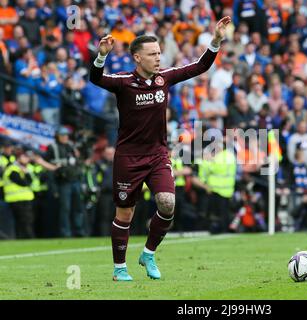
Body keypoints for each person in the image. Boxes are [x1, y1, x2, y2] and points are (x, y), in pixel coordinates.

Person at [89, 16, 231, 281]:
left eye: (158, 53)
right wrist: (101, 55)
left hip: (157, 155)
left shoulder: (164, 78)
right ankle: (119, 268)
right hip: (128, 157)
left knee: (167, 204)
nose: (157, 58)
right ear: (137, 58)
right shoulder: (122, 82)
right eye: (152, 54)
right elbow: (96, 78)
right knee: (125, 213)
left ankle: (148, 253)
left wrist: (216, 40)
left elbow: (199, 66)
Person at [2, 148, 34, 238]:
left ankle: (26, 237)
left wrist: (26, 172)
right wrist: (26, 173)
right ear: (18, 158)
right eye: (25, 157)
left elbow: (30, 182)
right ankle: (27, 238)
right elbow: (24, 183)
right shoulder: (12, 169)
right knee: (23, 221)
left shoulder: (24, 168)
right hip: (16, 199)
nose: (27, 159)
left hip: (26, 198)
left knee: (27, 220)